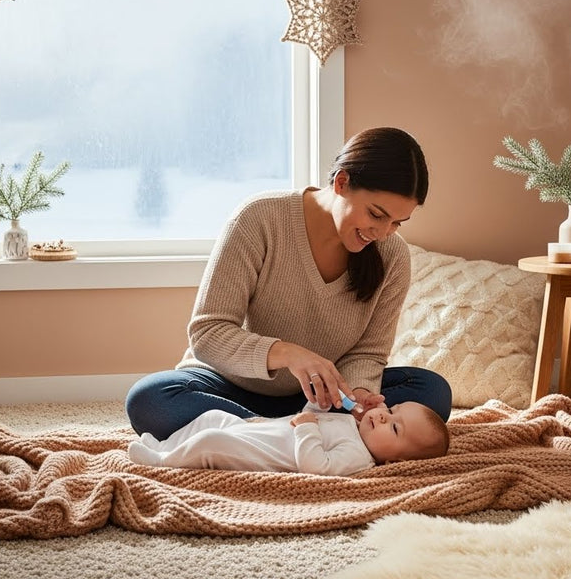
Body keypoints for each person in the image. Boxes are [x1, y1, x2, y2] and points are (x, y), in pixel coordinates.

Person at [125, 126, 453, 441]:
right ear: (341, 183)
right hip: (228, 388)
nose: (382, 232)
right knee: (151, 399)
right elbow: (208, 333)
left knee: (430, 392)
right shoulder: (260, 219)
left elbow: (368, 352)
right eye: (376, 214)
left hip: (322, 399)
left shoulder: (392, 256)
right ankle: (304, 433)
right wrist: (287, 354)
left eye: (397, 222)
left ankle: (267, 435)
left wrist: (361, 396)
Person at [127, 400, 450, 476]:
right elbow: (304, 418)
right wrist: (316, 404)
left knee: (211, 439)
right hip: (258, 429)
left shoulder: (357, 455)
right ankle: (166, 445)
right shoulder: (355, 425)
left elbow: (316, 466)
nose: (382, 414)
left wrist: (308, 426)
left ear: (394, 461)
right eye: (391, 409)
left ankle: (163, 462)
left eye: (394, 428)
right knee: (214, 417)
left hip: (258, 452)